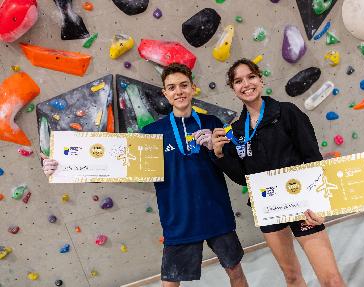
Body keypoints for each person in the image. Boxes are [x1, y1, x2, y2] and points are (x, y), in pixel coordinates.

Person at [42, 63, 248, 287]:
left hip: (216, 213)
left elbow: (232, 161)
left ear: (193, 88)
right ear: (165, 94)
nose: (178, 91)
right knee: (170, 284)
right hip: (178, 220)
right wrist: (60, 165)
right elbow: (111, 164)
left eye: (183, 85)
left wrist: (215, 148)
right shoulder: (152, 133)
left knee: (235, 272)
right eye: (172, 87)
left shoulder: (212, 123)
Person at [211, 58, 345, 287]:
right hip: (270, 209)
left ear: (260, 79)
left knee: (331, 279)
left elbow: (312, 157)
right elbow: (244, 177)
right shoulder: (236, 131)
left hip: (304, 204)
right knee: (292, 277)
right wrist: (221, 155)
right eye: (238, 81)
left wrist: (320, 203)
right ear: (233, 88)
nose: (246, 84)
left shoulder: (287, 112)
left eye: (251, 77)